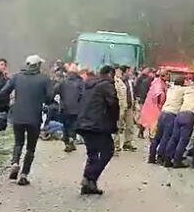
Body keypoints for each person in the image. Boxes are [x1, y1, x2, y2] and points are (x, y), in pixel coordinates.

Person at [0, 55, 53, 186]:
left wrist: (8, 105)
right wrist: (43, 100)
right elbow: (50, 97)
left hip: (18, 116)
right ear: (38, 65)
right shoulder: (44, 79)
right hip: (34, 117)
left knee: (18, 143)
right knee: (31, 148)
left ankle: (15, 162)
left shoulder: (17, 77)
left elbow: (3, 92)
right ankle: (24, 174)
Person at [76, 65, 119, 195]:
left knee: (92, 154)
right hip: (98, 125)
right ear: (111, 74)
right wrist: (114, 124)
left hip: (83, 123)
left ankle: (89, 184)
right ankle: (89, 178)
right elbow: (113, 105)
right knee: (108, 151)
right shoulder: (106, 85)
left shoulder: (89, 84)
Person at [148, 75, 187, 164]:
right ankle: (160, 157)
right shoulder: (182, 90)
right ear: (183, 83)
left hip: (163, 113)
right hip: (171, 115)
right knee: (166, 137)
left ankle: (151, 156)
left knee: (157, 136)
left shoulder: (170, 89)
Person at [55, 63, 83, 152]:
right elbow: (83, 95)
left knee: (65, 126)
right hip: (76, 108)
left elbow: (55, 91)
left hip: (64, 108)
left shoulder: (63, 81)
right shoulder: (80, 82)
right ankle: (71, 140)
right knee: (73, 125)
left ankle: (67, 142)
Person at [138, 70, 167, 139]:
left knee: (146, 118)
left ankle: (143, 133)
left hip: (149, 103)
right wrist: (160, 104)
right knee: (153, 120)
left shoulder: (157, 82)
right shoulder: (158, 83)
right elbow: (158, 94)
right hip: (153, 105)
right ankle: (152, 135)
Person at [113, 65, 136, 152]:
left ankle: (128, 143)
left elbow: (131, 92)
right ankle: (116, 144)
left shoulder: (129, 81)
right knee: (118, 126)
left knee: (130, 125)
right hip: (120, 107)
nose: (130, 73)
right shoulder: (117, 81)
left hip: (129, 106)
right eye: (129, 71)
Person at [134, 68, 153, 138]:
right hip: (146, 102)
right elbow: (143, 92)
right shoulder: (146, 81)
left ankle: (143, 132)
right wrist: (142, 101)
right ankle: (141, 132)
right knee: (145, 118)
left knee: (147, 118)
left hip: (147, 102)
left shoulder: (150, 81)